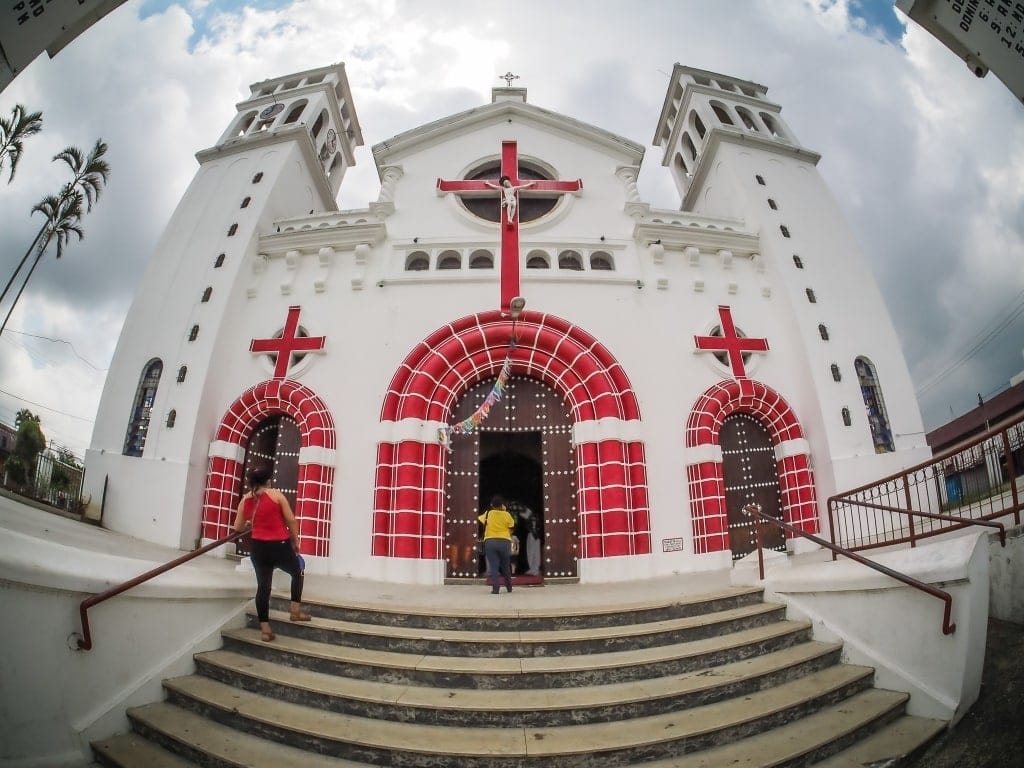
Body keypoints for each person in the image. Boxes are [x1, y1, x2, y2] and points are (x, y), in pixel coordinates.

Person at [233, 467, 310, 641]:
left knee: (263, 587)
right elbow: (291, 520)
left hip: (258, 548)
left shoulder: (245, 500)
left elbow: (237, 527)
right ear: (268, 480)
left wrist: (252, 522)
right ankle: (295, 611)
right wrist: (295, 541)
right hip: (279, 545)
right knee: (298, 572)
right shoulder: (276, 495)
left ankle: (265, 630)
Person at [478, 495, 516, 593]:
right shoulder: (507, 515)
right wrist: (504, 510)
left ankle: (495, 589)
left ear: (492, 505)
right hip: (504, 542)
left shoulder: (488, 514)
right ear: (502, 505)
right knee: (506, 566)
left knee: (494, 566)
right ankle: (509, 587)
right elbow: (511, 526)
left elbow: (480, 519)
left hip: (490, 542)